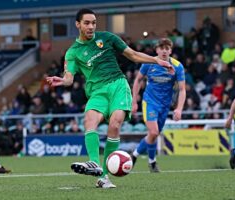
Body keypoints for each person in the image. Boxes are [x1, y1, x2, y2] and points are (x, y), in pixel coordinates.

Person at [46, 8, 173, 188]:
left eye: (93, 23)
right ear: (78, 25)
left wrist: (156, 60)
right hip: (97, 91)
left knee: (114, 124)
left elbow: (134, 55)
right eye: (87, 23)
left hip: (118, 86)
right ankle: (94, 163)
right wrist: (63, 80)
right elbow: (69, 78)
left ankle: (104, 177)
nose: (91, 27)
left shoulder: (107, 38)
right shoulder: (72, 52)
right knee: (89, 121)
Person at [131, 38, 186, 172]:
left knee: (154, 134)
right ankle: (138, 158)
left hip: (165, 105)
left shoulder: (177, 66)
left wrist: (179, 109)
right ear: (157, 50)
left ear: (170, 51)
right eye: (161, 48)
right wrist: (134, 101)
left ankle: (144, 159)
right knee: (154, 131)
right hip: (149, 102)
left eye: (167, 48)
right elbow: (138, 80)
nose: (164, 51)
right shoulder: (148, 63)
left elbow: (182, 89)